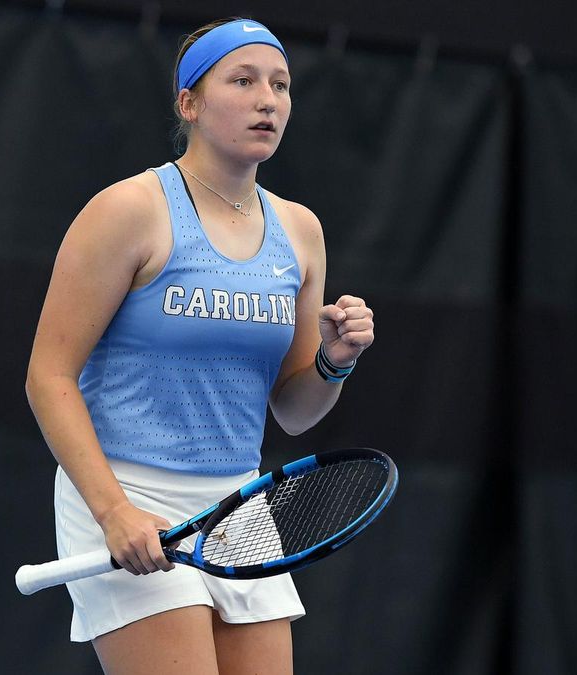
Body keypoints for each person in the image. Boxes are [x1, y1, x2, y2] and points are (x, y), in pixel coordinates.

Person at [25, 17, 376, 675]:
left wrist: (334, 362)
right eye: (242, 81)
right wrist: (114, 510)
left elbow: (294, 410)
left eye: (280, 84)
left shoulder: (300, 232)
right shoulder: (128, 210)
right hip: (125, 490)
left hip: (239, 504)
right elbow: (49, 376)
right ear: (189, 102)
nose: (267, 100)